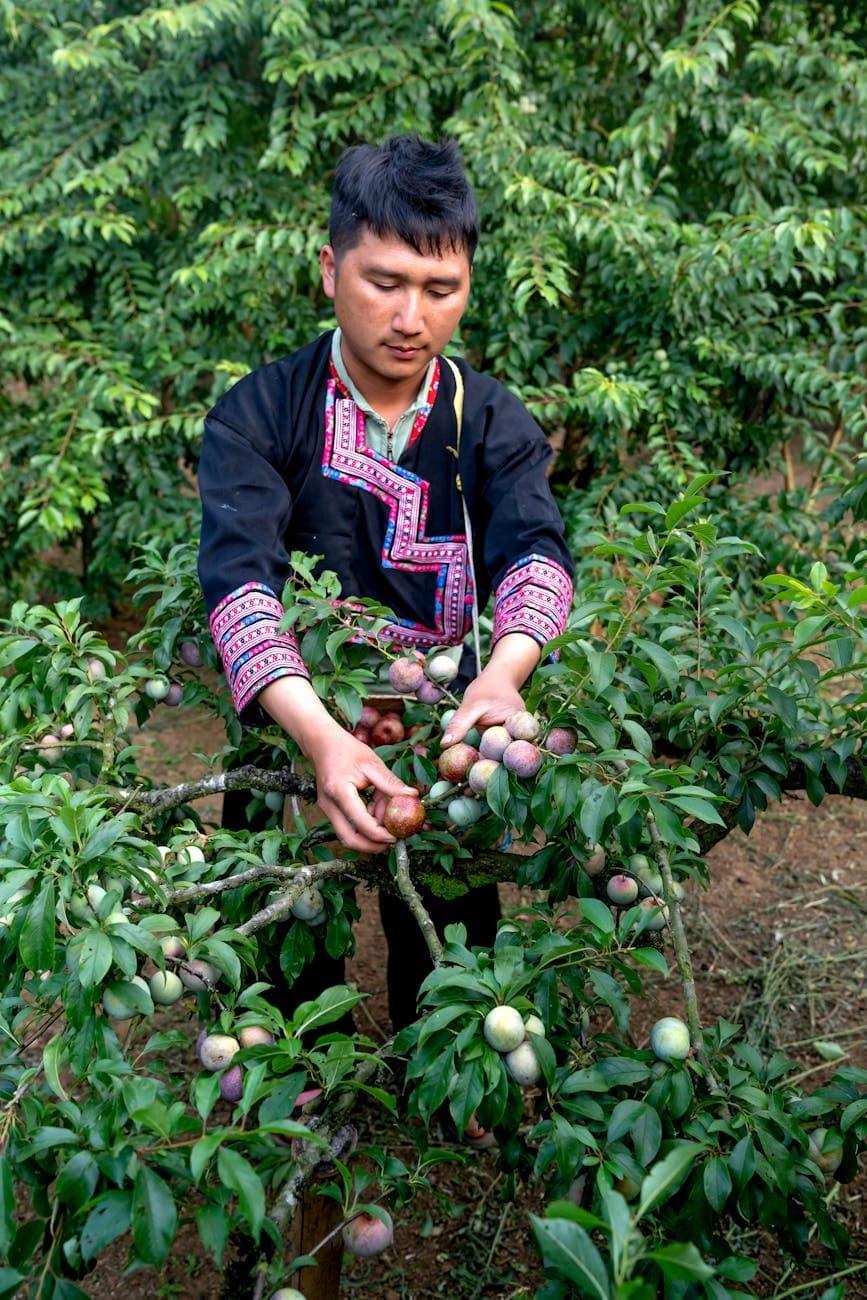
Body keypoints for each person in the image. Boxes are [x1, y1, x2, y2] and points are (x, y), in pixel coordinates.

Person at [197, 132, 574, 1035]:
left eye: (440, 291)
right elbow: (239, 587)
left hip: (446, 732)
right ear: (330, 270)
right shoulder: (258, 414)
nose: (412, 316)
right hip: (296, 733)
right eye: (385, 282)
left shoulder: (491, 422)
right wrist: (322, 741)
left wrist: (500, 678)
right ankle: (293, 1094)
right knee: (286, 939)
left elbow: (537, 559)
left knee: (449, 931)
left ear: (467, 289)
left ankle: (442, 1085)